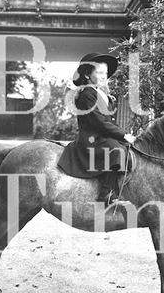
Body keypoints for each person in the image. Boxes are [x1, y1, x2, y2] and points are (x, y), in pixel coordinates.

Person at [57, 53, 136, 204]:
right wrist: (122, 135)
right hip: (92, 140)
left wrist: (125, 134)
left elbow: (109, 122)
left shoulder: (102, 94)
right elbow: (99, 122)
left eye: (105, 73)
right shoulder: (87, 94)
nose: (103, 76)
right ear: (87, 74)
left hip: (103, 137)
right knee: (117, 151)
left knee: (130, 150)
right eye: (99, 72)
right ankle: (107, 195)